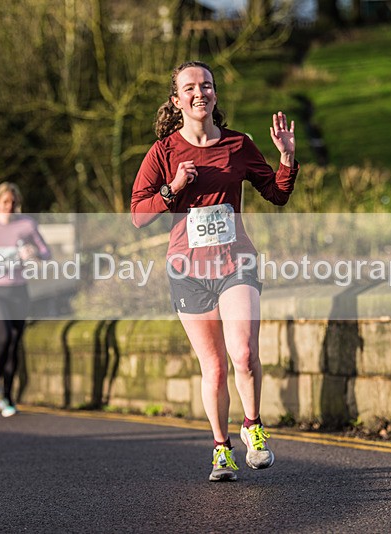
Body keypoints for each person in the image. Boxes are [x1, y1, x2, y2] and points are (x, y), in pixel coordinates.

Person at [131, 61, 297, 481]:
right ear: (177, 100)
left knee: (243, 353)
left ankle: (253, 427)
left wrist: (287, 159)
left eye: (206, 85)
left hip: (235, 262)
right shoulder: (164, 152)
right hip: (187, 270)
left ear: (215, 95)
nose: (199, 92)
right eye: (190, 88)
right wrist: (174, 188)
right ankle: (221, 449)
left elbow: (276, 194)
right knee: (215, 368)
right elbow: (137, 215)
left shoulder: (238, 145)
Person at [0, 182, 51, 418]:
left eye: (13, 203)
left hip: (18, 290)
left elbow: (46, 252)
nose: (10, 207)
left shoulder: (26, 224)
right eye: (5, 202)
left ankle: (8, 396)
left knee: (15, 341)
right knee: (4, 336)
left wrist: (33, 253)